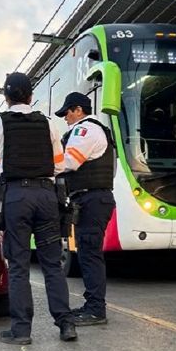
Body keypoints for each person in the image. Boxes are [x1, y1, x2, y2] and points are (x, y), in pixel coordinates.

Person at [0, 72, 76, 344]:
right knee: (52, 264)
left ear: (6, 98)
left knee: (18, 265)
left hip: (16, 196)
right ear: (31, 96)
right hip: (46, 197)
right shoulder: (48, 124)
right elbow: (59, 165)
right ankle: (66, 325)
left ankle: (21, 330)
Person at [55, 92, 116, 326]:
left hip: (92, 199)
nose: (65, 118)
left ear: (78, 110)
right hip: (91, 199)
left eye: (67, 113)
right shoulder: (88, 130)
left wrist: (42, 165)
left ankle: (96, 310)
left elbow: (69, 162)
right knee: (87, 254)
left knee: (90, 255)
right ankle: (92, 304)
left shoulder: (86, 130)